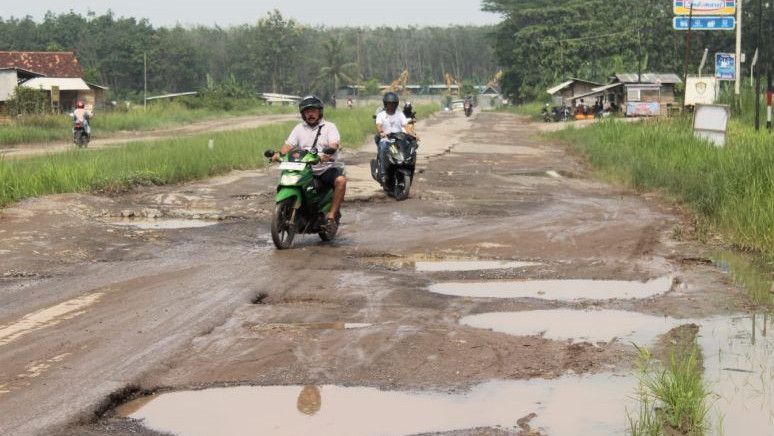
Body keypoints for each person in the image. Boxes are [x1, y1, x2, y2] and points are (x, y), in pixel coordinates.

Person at [274, 96, 346, 233]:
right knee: (289, 180)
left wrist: (327, 154)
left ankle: (331, 216)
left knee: (341, 181)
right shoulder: (298, 128)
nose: (310, 114)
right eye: (307, 111)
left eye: (313, 111)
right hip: (303, 168)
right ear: (303, 114)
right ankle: (290, 211)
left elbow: (334, 144)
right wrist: (279, 154)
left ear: (320, 112)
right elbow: (288, 145)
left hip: (325, 169)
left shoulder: (330, 127)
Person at [375, 92, 413, 182]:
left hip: (398, 138)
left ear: (396, 104)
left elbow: (406, 126)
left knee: (408, 147)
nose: (391, 105)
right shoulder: (381, 115)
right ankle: (383, 173)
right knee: (383, 146)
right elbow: (378, 125)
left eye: (393, 104)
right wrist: (381, 132)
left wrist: (413, 135)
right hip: (386, 139)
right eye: (389, 103)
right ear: (385, 104)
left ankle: (405, 167)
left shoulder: (400, 114)